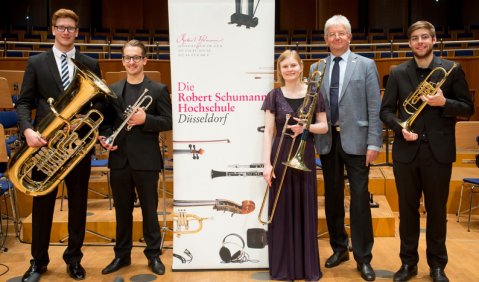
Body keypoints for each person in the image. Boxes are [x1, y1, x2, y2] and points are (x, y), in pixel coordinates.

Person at [380, 21, 474, 282]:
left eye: (424, 37)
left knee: (437, 211)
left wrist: (445, 102)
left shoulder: (451, 70)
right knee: (407, 212)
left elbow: (468, 107)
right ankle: (408, 264)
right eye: (415, 38)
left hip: (438, 153)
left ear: (434, 40)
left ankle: (437, 266)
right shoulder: (397, 73)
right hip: (406, 152)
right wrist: (400, 128)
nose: (420, 42)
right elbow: (385, 112)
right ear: (409, 43)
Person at [15, 8, 103, 281]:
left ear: (77, 32)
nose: (66, 32)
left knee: (78, 205)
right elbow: (25, 102)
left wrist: (90, 126)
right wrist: (27, 130)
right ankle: (38, 261)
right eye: (62, 27)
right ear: (53, 30)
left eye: (71, 28)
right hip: (44, 145)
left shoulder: (90, 62)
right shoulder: (37, 62)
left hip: (76, 146)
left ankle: (74, 260)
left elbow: (100, 103)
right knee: (42, 207)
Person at [309, 14, 382, 281]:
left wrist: (374, 141)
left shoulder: (366, 65)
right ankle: (339, 249)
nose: (336, 37)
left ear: (349, 37)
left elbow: (375, 107)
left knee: (360, 199)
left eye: (341, 33)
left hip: (358, 141)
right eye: (332, 34)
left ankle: (364, 257)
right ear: (326, 39)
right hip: (328, 141)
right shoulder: (316, 67)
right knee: (332, 198)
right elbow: (313, 106)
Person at [99, 39, 172, 276]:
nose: (132, 62)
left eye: (136, 57)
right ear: (123, 61)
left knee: (150, 211)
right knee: (122, 211)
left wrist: (146, 120)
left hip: (146, 160)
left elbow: (168, 121)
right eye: (128, 58)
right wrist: (105, 136)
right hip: (119, 159)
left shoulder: (158, 90)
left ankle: (153, 255)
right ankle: (122, 255)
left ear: (144, 60)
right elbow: (107, 124)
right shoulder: (113, 90)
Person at [262, 49, 328, 281]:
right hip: (280, 153)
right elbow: (269, 131)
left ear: (301, 67)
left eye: (293, 65)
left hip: (304, 152)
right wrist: (266, 164)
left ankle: (305, 267)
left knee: (303, 207)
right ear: (280, 71)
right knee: (281, 211)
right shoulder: (273, 95)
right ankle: (283, 269)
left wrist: (306, 128)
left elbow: (324, 127)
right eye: (284, 66)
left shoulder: (315, 94)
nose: (289, 70)